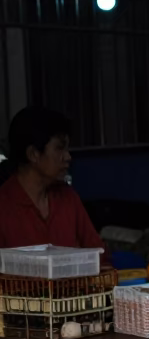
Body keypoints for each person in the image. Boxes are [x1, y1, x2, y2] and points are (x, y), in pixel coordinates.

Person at [0, 107, 103, 250]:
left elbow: (99, 255)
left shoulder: (68, 199)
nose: (68, 157)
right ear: (33, 154)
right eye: (59, 148)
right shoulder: (4, 207)